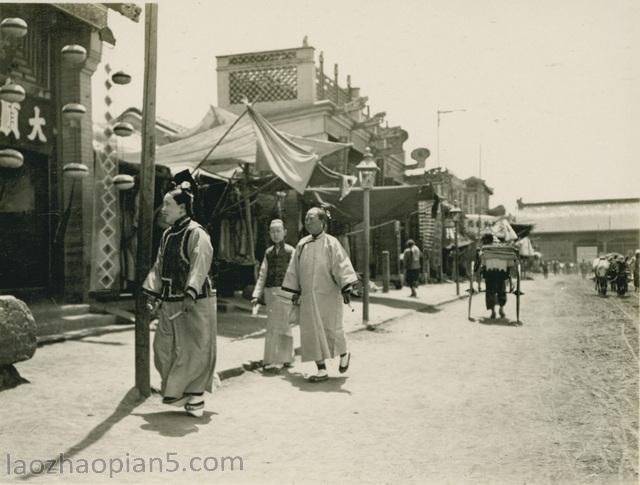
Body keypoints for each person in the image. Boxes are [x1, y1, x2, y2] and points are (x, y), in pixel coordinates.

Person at [143, 182, 216, 418]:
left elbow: (200, 264)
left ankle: (195, 395)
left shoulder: (197, 233)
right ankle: (180, 392)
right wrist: (152, 294)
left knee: (195, 347)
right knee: (163, 347)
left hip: (194, 302)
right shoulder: (167, 234)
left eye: (167, 204)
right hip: (170, 300)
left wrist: (191, 292)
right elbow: (158, 266)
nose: (163, 209)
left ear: (182, 208)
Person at [282, 207, 358, 382]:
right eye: (306, 219)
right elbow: (293, 270)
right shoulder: (302, 244)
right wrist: (294, 292)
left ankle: (344, 354)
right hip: (308, 297)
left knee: (332, 328)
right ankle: (321, 369)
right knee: (311, 332)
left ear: (322, 222)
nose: (308, 222)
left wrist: (347, 286)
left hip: (328, 295)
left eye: (312, 219)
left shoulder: (332, 243)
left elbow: (342, 265)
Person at [251, 219, 296, 372]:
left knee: (284, 324)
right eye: (272, 231)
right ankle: (269, 359)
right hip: (270, 291)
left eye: (278, 231)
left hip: (286, 292)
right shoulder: (268, 253)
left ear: (284, 232)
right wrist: (257, 294)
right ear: (269, 234)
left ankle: (286, 358)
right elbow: (263, 274)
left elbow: (296, 273)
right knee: (271, 325)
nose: (276, 234)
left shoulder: (291, 251)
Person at [475, 233, 511, 319]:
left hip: (489, 274)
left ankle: (493, 311)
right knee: (501, 291)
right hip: (501, 273)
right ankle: (501, 309)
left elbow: (479, 263)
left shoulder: (483, 250)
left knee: (490, 292)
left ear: (485, 241)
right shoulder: (501, 248)